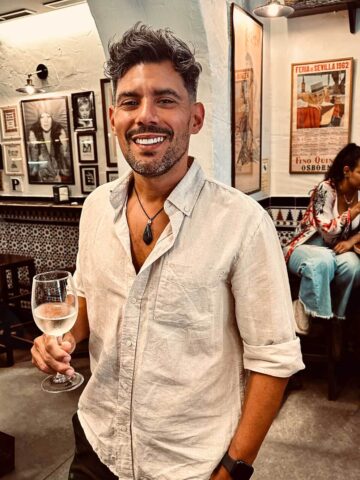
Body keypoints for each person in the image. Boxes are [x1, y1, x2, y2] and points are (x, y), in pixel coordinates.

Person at [31, 23, 304, 480]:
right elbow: (85, 301)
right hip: (96, 442)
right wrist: (62, 339)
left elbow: (273, 360)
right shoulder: (97, 208)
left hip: (189, 464)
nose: (146, 116)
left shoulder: (241, 222)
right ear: (114, 116)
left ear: (195, 118)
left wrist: (232, 470)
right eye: (131, 101)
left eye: (166, 99)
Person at [285, 143, 360, 321]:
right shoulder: (325, 189)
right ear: (347, 171)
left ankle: (337, 317)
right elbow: (327, 231)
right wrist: (353, 212)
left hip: (333, 251)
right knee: (323, 261)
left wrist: (351, 241)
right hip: (304, 247)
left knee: (353, 266)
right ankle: (307, 309)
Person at [28, 111, 71, 183]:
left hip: (60, 181)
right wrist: (33, 146)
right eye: (42, 117)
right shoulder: (34, 135)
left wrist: (64, 145)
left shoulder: (59, 133)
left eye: (48, 117)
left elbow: (67, 167)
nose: (45, 120)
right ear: (39, 120)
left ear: (52, 118)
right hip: (41, 184)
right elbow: (33, 170)